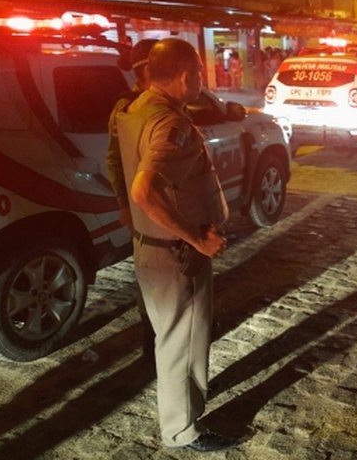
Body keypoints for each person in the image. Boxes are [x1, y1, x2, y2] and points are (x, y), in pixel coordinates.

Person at [115, 38, 236, 452]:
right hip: (175, 253)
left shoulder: (132, 109)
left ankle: (182, 415)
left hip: (152, 245)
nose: (203, 80)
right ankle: (182, 430)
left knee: (171, 339)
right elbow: (144, 189)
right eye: (200, 72)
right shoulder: (171, 124)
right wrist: (198, 237)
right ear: (186, 76)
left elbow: (120, 169)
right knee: (181, 343)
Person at [105, 38, 158, 359]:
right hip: (146, 207)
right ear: (146, 68)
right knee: (150, 276)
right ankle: (151, 343)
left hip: (177, 205)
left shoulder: (169, 98)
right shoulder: (127, 106)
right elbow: (114, 160)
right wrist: (124, 205)